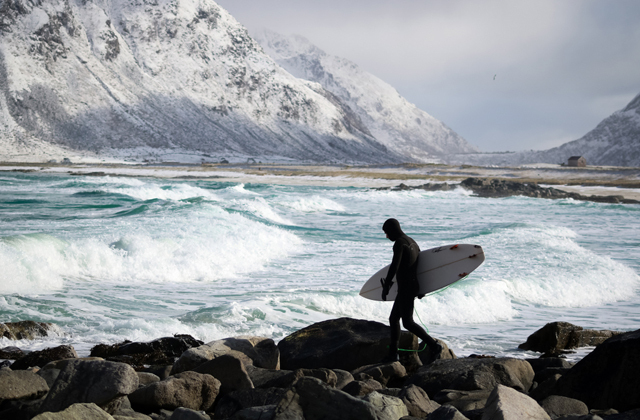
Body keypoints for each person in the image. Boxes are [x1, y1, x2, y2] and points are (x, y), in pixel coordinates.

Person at [380, 218, 442, 362]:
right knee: (394, 318)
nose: (387, 236)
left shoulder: (400, 244)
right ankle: (393, 354)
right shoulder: (413, 242)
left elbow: (394, 266)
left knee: (407, 322)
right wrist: (422, 288)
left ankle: (434, 345)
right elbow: (421, 268)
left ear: (393, 230)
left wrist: (387, 285)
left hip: (406, 288)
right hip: (412, 286)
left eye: (387, 233)